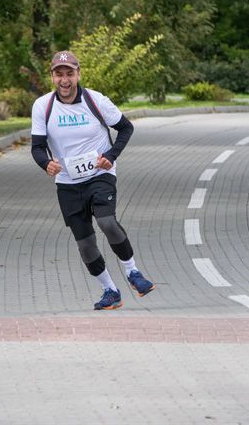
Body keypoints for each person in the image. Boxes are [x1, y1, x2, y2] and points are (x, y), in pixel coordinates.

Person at [30, 50, 156, 310]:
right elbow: (37, 146)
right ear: (52, 77)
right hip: (67, 183)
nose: (65, 80)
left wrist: (110, 155)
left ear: (78, 74)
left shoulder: (95, 100)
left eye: (69, 73)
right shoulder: (43, 106)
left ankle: (133, 273)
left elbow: (125, 128)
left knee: (107, 222)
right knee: (85, 244)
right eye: (59, 74)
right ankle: (110, 290)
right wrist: (46, 164)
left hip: (100, 174)